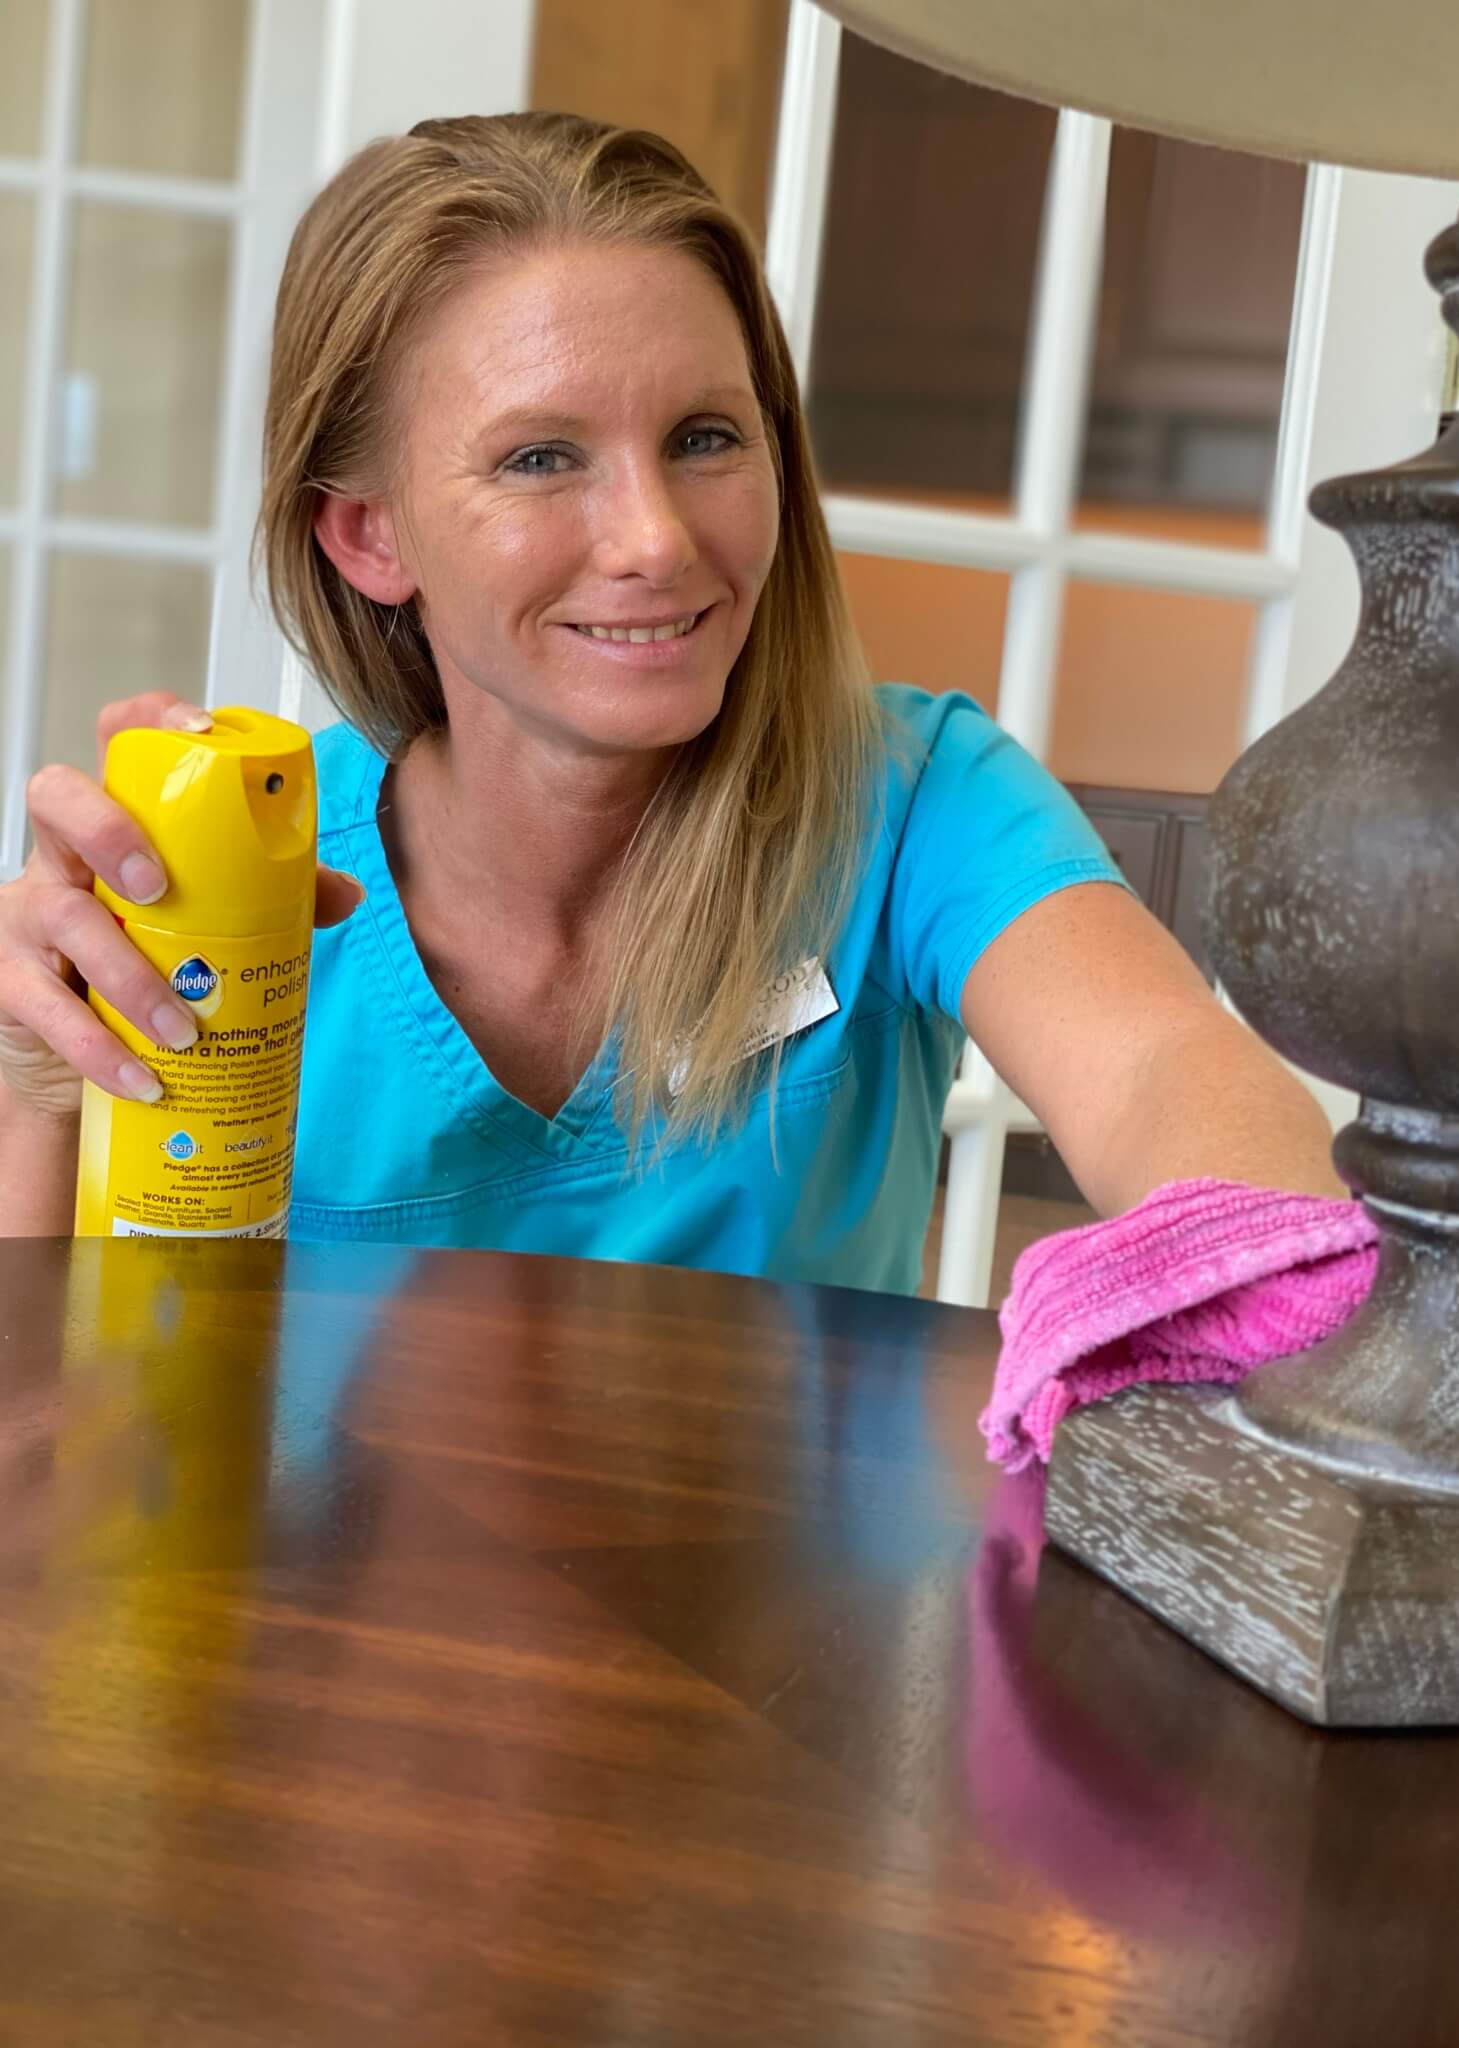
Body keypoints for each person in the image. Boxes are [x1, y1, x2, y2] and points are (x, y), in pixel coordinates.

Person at [0, 112, 1341, 1288]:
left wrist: (1253, 1277)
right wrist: (33, 1088)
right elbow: (51, 1454)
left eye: (705, 438)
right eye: (539, 456)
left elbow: (1163, 1073)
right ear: (369, 538)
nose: (655, 537)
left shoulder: (920, 800)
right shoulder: (232, 907)